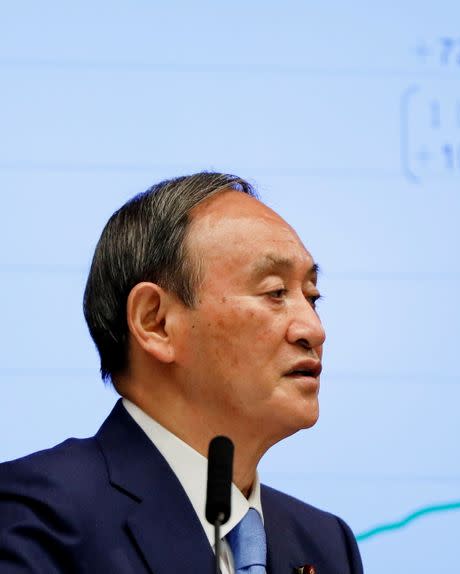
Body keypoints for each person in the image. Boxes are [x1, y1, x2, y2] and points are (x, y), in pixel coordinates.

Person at [0, 172, 364, 573]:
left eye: (313, 297)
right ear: (155, 322)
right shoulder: (37, 518)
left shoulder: (326, 544)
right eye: (275, 292)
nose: (313, 329)